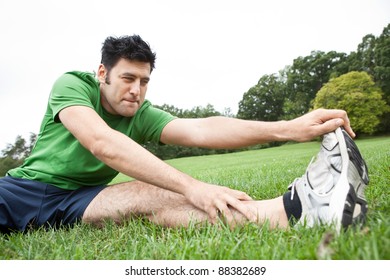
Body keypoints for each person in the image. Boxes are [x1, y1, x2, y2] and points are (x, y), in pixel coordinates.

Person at [0, 35, 369, 234]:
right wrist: (193, 185)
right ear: (102, 73)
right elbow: (102, 143)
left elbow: (202, 128)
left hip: (78, 200)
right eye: (128, 78)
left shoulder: (140, 113)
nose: (136, 90)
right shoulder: (72, 85)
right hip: (24, 191)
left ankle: (292, 211)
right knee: (176, 188)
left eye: (144, 81)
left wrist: (289, 128)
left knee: (152, 195)